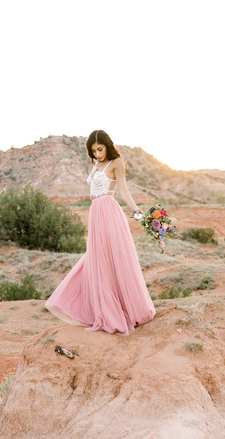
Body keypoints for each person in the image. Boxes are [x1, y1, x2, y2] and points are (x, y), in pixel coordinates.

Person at [44, 130, 156, 335]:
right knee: (97, 259)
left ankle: (126, 310)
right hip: (95, 213)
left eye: (100, 149)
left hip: (109, 211)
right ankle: (102, 310)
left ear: (107, 145)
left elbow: (122, 189)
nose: (97, 154)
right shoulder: (96, 164)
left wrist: (134, 207)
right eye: (93, 151)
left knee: (113, 258)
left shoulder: (117, 162)